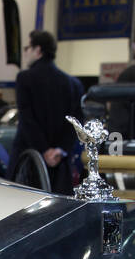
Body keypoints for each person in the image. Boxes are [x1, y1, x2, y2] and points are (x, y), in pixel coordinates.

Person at [8, 30, 81, 194]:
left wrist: (44, 150)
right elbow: (75, 122)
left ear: (38, 50)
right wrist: (59, 150)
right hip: (59, 162)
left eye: (27, 48)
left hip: (29, 160)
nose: (25, 52)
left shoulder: (25, 78)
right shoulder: (73, 84)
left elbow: (27, 119)